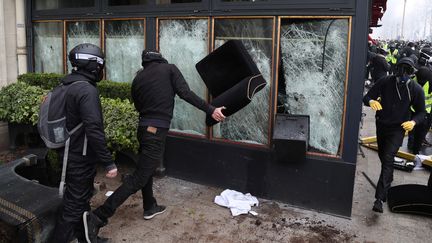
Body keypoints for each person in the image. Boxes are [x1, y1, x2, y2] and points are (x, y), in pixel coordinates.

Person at [83, 49, 226, 242]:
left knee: (145, 170)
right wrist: (210, 110)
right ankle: (98, 216)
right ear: (160, 58)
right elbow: (185, 93)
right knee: (139, 177)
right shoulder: (169, 69)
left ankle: (150, 206)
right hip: (156, 131)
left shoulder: (139, 78)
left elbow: (137, 105)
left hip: (143, 129)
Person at [52, 43, 118, 243]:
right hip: (79, 158)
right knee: (73, 208)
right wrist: (108, 162)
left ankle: (87, 239)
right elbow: (94, 128)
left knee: (80, 202)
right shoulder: (86, 90)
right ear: (93, 65)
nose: (101, 69)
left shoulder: (66, 85)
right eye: (99, 65)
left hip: (69, 153)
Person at [363, 57, 426, 213]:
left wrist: (414, 123)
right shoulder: (385, 82)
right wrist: (370, 101)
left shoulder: (416, 89)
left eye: (407, 72)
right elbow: (367, 96)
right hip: (382, 125)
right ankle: (388, 178)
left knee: (388, 158)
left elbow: (421, 112)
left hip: (398, 128)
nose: (403, 75)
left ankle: (379, 198)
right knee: (384, 157)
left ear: (412, 73)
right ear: (396, 70)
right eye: (400, 70)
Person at [408, 48, 432, 154]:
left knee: (421, 131)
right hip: (415, 110)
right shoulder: (413, 79)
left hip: (426, 111)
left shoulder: (430, 82)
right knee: (413, 129)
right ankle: (412, 144)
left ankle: (416, 148)